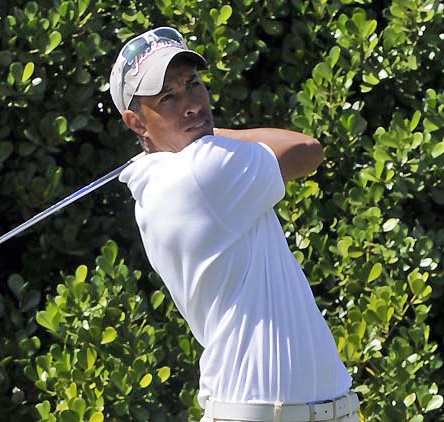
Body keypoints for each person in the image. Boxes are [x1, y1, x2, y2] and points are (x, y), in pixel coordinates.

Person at [109, 27, 361, 422]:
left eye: (192, 85)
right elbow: (306, 150)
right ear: (136, 122)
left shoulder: (181, 171)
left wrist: (190, 133)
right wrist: (205, 134)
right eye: (168, 99)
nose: (191, 104)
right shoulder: (199, 172)